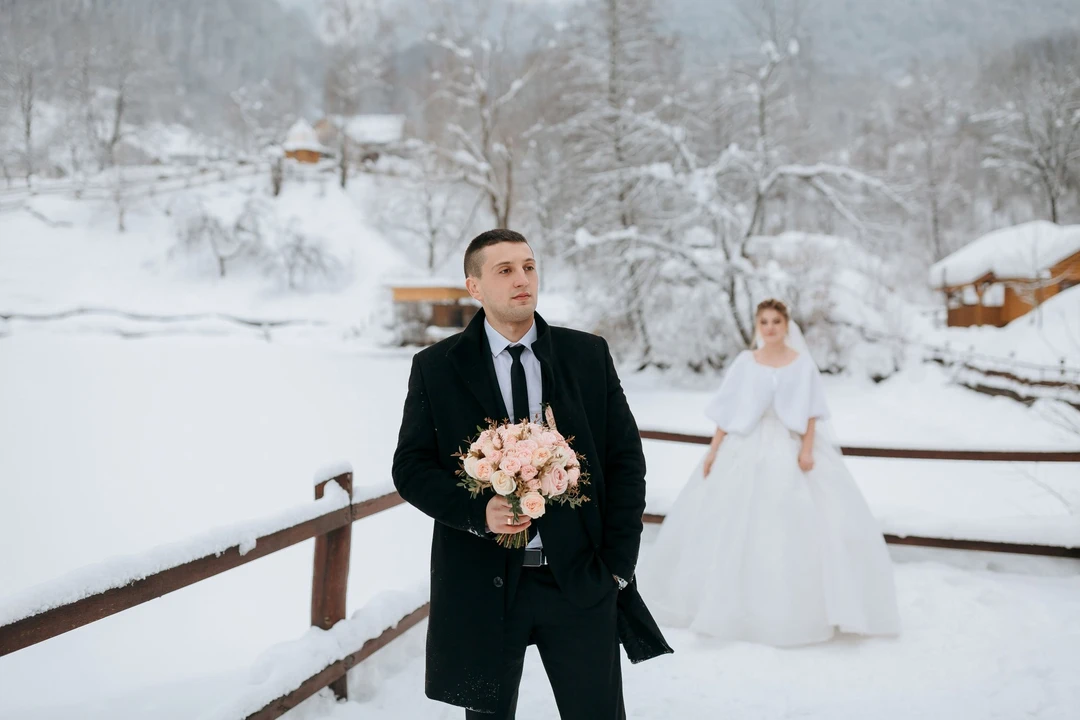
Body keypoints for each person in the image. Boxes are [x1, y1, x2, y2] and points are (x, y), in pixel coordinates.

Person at [392, 229, 671, 719]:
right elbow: (410, 468)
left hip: (580, 581)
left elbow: (626, 461)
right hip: (481, 586)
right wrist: (479, 512)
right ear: (474, 287)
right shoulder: (435, 368)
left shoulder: (587, 356)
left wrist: (616, 566)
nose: (522, 279)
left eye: (528, 266)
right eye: (504, 270)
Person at [644, 298, 901, 646]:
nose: (769, 328)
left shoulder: (802, 364)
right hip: (743, 444)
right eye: (763, 322)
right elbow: (728, 408)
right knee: (730, 519)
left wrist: (807, 449)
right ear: (757, 326)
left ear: (786, 325)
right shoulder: (745, 362)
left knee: (792, 519)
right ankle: (723, 603)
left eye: (775, 322)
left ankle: (798, 609)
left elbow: (812, 411)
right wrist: (714, 449)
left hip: (789, 445)